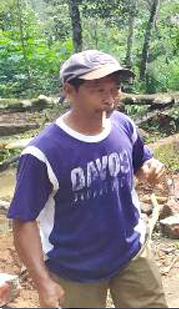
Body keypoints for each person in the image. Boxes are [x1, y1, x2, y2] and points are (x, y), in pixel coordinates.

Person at [8, 50, 168, 308]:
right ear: (69, 90)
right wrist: (43, 282)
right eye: (98, 90)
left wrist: (150, 168)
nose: (110, 98)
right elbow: (24, 221)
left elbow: (141, 162)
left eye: (115, 89)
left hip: (131, 253)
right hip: (74, 269)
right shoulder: (43, 153)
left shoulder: (123, 126)